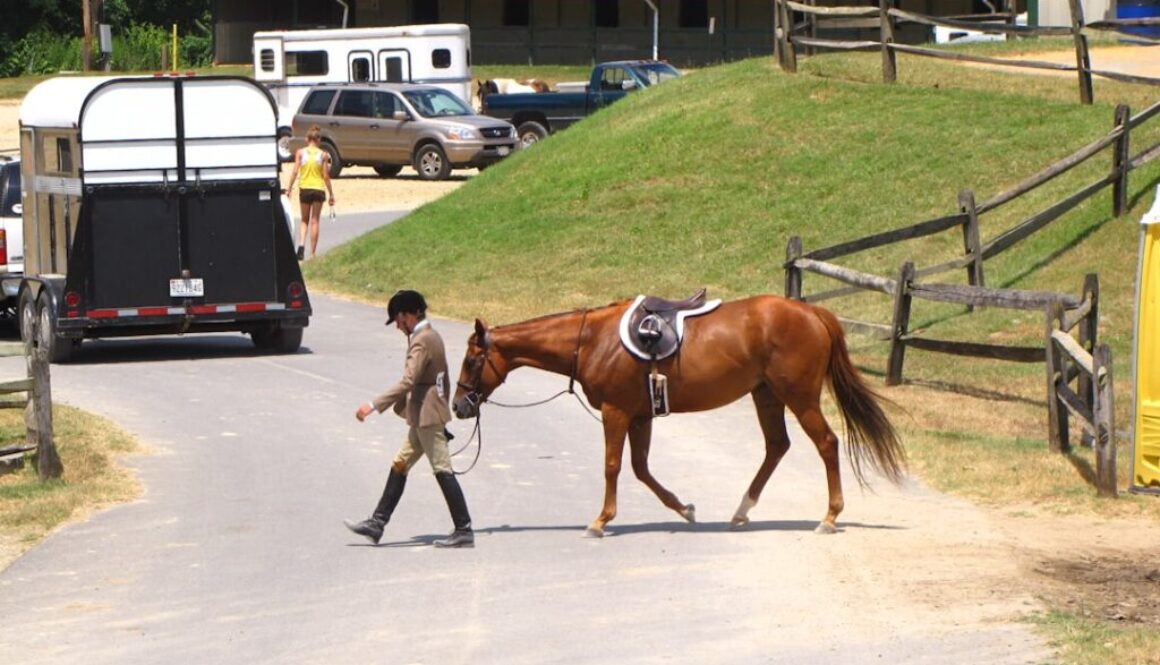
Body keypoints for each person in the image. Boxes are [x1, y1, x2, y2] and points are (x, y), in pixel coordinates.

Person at [345, 290, 475, 548]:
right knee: (400, 464)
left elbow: (408, 380)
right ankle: (377, 523)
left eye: (398, 318)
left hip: (427, 417)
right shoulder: (431, 336)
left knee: (442, 469)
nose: (396, 324)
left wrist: (373, 405)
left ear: (410, 315)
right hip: (423, 415)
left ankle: (463, 529)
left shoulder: (421, 340)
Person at [283, 124, 335, 261]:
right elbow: (325, 176)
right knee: (315, 221)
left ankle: (301, 247)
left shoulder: (301, 153)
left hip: (305, 188)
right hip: (318, 189)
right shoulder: (323, 155)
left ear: (307, 139)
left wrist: (289, 188)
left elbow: (295, 171)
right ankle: (312, 253)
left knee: (304, 220)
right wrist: (331, 194)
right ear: (318, 140)